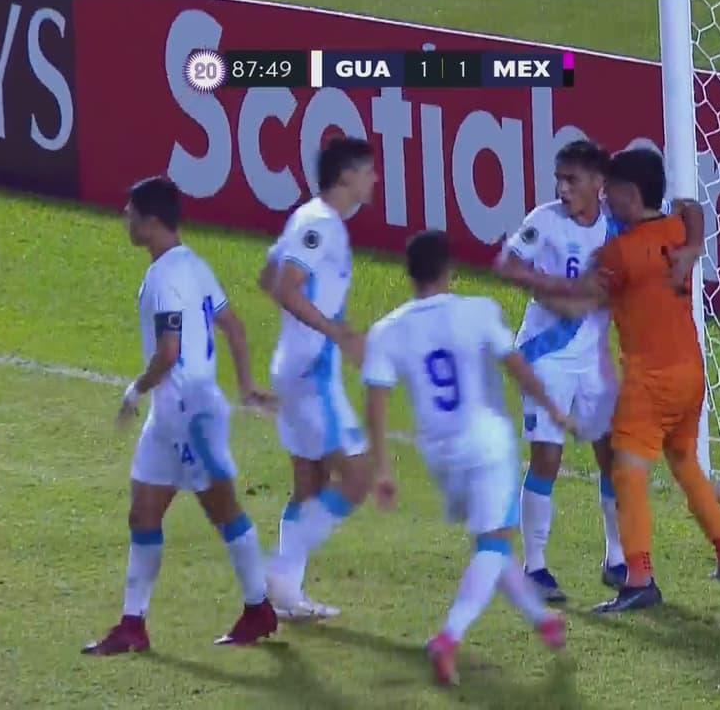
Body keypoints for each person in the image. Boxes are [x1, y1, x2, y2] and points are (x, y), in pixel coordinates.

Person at [493, 140, 707, 601]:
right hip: (546, 356)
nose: (562, 189)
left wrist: (693, 247)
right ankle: (535, 568)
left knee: (612, 456)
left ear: (598, 183)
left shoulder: (617, 221)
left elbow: (688, 208)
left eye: (572, 180)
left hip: (593, 360)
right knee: (547, 458)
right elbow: (507, 264)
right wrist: (552, 288)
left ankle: (616, 559)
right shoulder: (545, 221)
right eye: (559, 179)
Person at [362, 230, 569, 686]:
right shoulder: (477, 311)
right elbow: (517, 367)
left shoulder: (387, 331)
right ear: (449, 270)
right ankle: (449, 637)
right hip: (486, 443)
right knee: (493, 544)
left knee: (491, 544)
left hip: (439, 454)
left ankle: (543, 621)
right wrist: (553, 408)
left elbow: (375, 405)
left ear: (410, 274)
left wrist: (383, 470)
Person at [83, 176, 278, 655]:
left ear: (151, 221)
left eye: (130, 212)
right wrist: (246, 384)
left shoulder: (165, 276)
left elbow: (169, 352)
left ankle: (259, 608)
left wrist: (135, 389)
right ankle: (133, 625)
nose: (124, 218)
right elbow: (233, 325)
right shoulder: (194, 265)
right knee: (143, 513)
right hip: (169, 415)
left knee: (223, 511)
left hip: (190, 414)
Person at [553, 148, 720, 614]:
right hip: (690, 373)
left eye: (611, 191)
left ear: (630, 194)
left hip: (650, 382)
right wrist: (694, 246)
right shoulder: (677, 229)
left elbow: (578, 302)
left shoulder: (619, 253)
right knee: (685, 463)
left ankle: (639, 579)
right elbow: (692, 207)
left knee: (627, 474)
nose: (604, 198)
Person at [257, 136, 376, 621]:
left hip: (295, 365)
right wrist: (336, 332)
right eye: (367, 171)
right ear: (346, 176)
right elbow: (285, 288)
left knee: (309, 481)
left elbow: (268, 276)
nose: (374, 179)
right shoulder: (322, 224)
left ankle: (287, 595)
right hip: (313, 373)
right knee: (357, 478)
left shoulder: (306, 218)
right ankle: (277, 572)